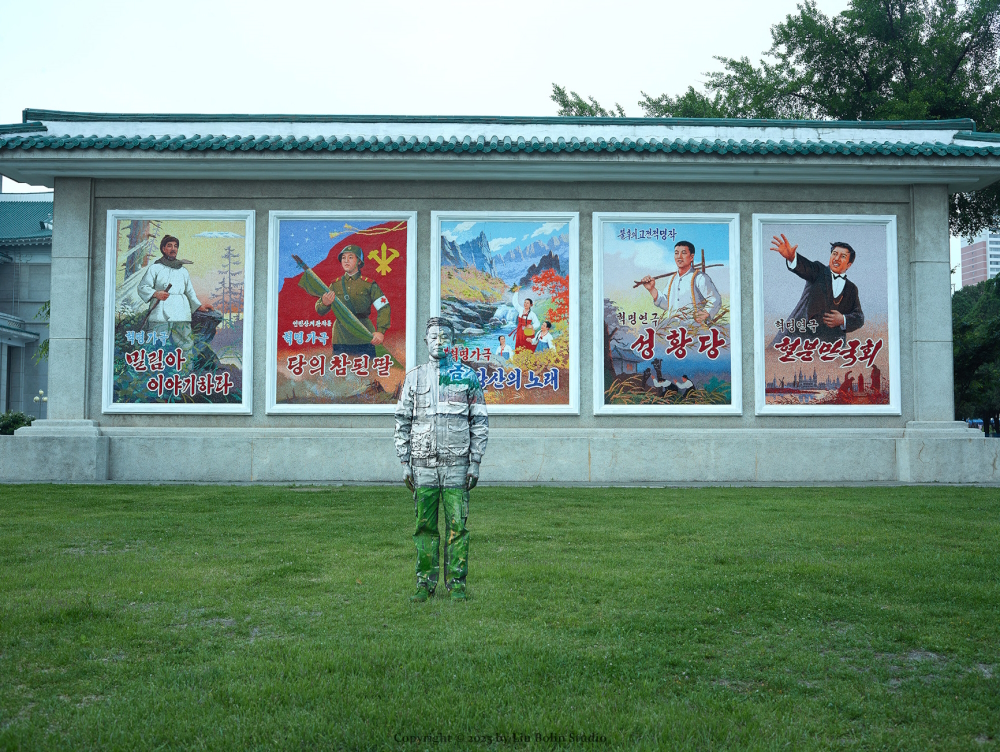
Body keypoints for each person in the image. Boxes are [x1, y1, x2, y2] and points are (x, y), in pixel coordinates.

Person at [394, 318, 489, 603]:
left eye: (445, 337)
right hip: (423, 465)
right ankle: (424, 583)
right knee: (424, 525)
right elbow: (402, 421)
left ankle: (457, 584)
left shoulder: (467, 377)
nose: (439, 342)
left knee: (457, 526)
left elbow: (480, 421)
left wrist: (475, 461)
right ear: (425, 342)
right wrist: (404, 461)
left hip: (457, 465)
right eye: (434, 337)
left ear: (453, 341)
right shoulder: (414, 378)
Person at [769, 235, 865, 344]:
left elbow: (859, 318)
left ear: (849, 264)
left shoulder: (851, 288)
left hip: (831, 345)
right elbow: (805, 267)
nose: (836, 258)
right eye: (834, 254)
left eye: (842, 256)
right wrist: (792, 257)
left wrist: (843, 319)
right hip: (799, 338)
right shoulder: (818, 271)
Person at [137, 235, 213, 353]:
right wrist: (156, 294)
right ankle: (152, 370)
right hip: (160, 313)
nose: (173, 249)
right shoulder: (155, 268)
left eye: (175, 246)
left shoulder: (183, 271)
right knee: (155, 343)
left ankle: (185, 369)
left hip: (181, 312)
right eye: (169, 246)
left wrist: (198, 306)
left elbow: (189, 291)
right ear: (163, 249)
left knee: (185, 344)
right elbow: (142, 287)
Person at [316, 244, 390, 358]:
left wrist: (380, 331)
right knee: (340, 372)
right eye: (343, 258)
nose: (346, 261)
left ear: (359, 261)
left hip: (364, 335)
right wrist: (325, 304)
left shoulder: (368, 284)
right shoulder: (335, 285)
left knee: (367, 371)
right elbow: (319, 310)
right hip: (341, 338)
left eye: (350, 257)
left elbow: (383, 307)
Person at [640, 241, 721, 326]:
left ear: (691, 257)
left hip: (695, 329)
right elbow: (667, 304)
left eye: (683, 253)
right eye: (676, 253)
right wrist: (652, 289)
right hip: (673, 329)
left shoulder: (699, 277)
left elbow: (715, 299)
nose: (679, 257)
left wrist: (705, 312)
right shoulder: (672, 279)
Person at [510, 288, 539, 353]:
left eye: (527, 303)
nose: (525, 304)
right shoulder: (520, 310)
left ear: (531, 305)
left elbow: (537, 323)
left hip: (527, 332)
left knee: (527, 346)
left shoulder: (532, 314)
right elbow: (515, 303)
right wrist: (516, 292)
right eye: (525, 302)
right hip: (520, 331)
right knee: (519, 344)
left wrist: (531, 326)